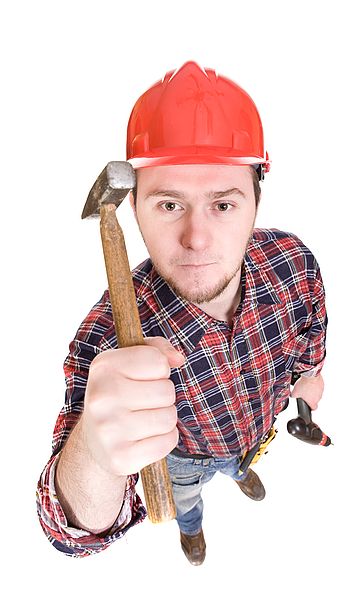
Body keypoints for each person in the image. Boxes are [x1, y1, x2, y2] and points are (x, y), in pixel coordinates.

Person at [36, 60, 328, 565]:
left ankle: (242, 472)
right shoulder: (106, 336)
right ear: (134, 209)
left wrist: (310, 374)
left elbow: (310, 334)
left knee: (241, 462)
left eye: (223, 205)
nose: (196, 239)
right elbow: (69, 531)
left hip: (256, 430)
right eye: (169, 205)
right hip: (182, 464)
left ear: (256, 200)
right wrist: (97, 456)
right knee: (185, 503)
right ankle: (192, 532)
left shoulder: (293, 263)